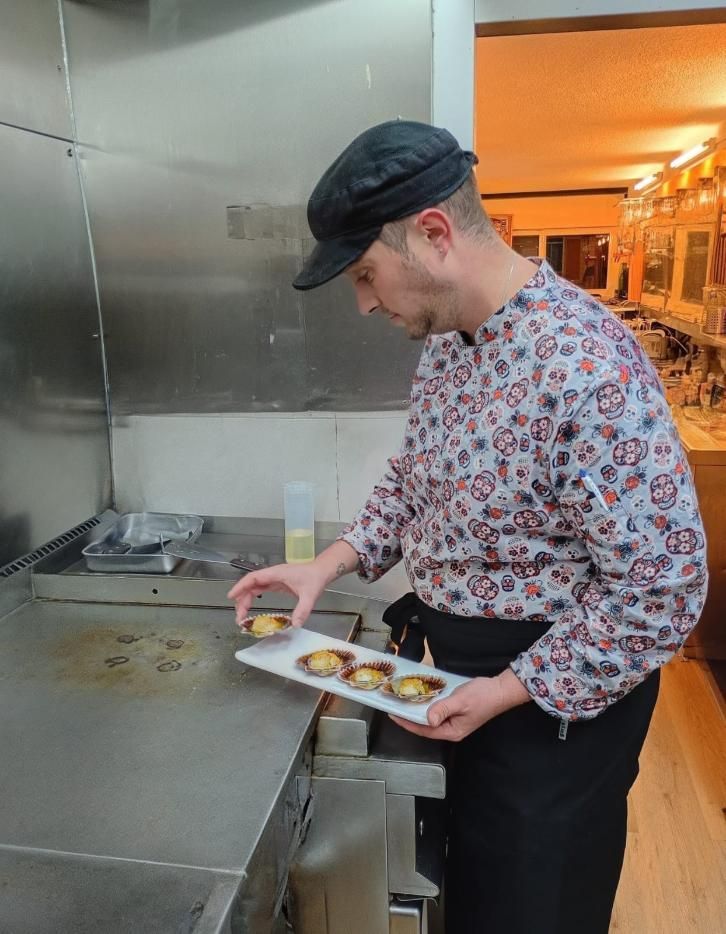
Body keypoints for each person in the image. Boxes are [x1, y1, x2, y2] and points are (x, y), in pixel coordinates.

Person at [228, 121, 707, 933]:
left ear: (434, 235)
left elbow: (664, 590)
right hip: (469, 683)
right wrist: (330, 563)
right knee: (475, 900)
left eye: (368, 274)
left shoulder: (587, 366)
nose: (366, 301)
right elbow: (418, 477)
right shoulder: (451, 345)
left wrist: (508, 690)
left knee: (534, 908)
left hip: (554, 715)